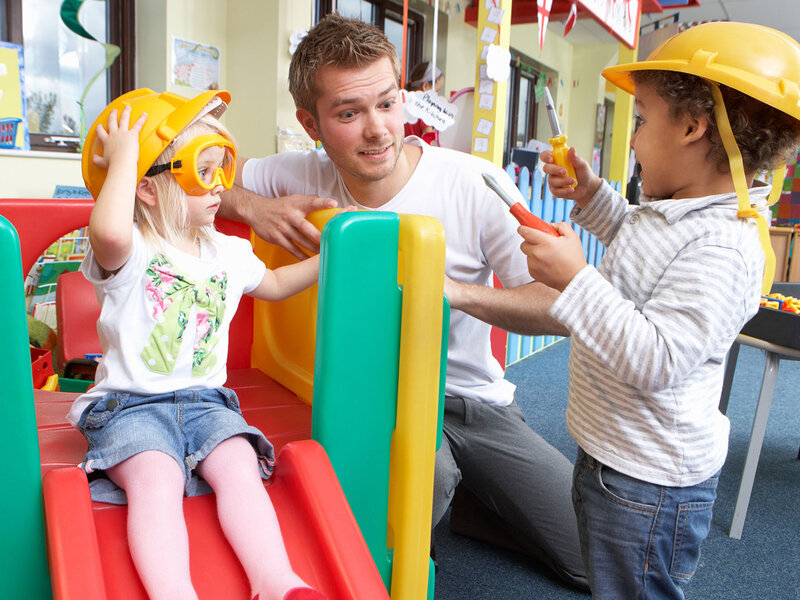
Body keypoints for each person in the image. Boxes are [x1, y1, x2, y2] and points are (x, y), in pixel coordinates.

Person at [221, 13, 588, 591]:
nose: (379, 130)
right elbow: (184, 181)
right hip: (368, 400)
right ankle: (442, 501)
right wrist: (249, 205)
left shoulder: (475, 184)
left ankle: (467, 498)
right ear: (309, 122)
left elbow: (562, 307)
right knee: (412, 499)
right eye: (349, 113)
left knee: (588, 560)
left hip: (470, 400)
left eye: (388, 103)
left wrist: (453, 293)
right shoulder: (295, 172)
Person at [517, 22, 800, 599]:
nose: (633, 138)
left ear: (693, 127)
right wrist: (591, 195)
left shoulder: (723, 245)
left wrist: (576, 280)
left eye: (642, 120)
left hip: (647, 482)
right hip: (615, 455)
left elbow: (658, 358)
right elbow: (638, 247)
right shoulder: (672, 210)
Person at [73, 88, 325, 600]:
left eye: (224, 167)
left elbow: (274, 286)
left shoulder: (227, 251)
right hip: (130, 408)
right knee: (156, 477)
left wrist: (334, 257)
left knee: (238, 464)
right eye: (201, 173)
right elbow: (109, 229)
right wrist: (124, 159)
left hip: (207, 403)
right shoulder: (134, 250)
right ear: (147, 188)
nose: (219, 187)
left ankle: (276, 583)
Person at [404, 61, 445, 145]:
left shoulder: (403, 104)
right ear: (425, 86)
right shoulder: (425, 111)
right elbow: (427, 143)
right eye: (437, 91)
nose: (437, 95)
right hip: (417, 156)